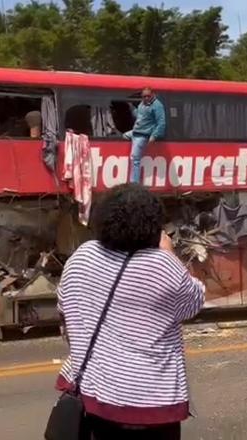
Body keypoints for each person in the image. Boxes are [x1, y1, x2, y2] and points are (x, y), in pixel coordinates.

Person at [56, 184, 205, 439]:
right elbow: (193, 302)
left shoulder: (83, 256)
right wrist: (169, 253)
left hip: (91, 395)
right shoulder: (162, 265)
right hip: (148, 403)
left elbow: (66, 313)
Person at [124, 88, 166, 184]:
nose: (146, 98)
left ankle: (134, 183)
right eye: (144, 96)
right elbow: (139, 116)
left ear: (153, 95)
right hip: (135, 131)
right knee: (123, 136)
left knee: (135, 158)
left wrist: (154, 136)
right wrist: (130, 107)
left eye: (148, 96)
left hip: (143, 134)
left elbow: (161, 123)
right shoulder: (142, 104)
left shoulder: (157, 106)